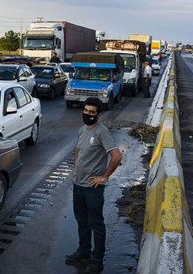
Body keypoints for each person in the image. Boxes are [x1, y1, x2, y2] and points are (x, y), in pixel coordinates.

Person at [65, 97, 122, 273]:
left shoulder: (101, 132)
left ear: (98, 114)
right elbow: (78, 149)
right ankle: (84, 253)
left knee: (96, 224)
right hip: (78, 185)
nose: (88, 114)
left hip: (93, 188)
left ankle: (97, 260)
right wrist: (76, 168)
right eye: (86, 111)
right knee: (82, 221)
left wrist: (103, 177)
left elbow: (116, 156)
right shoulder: (83, 129)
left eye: (92, 112)